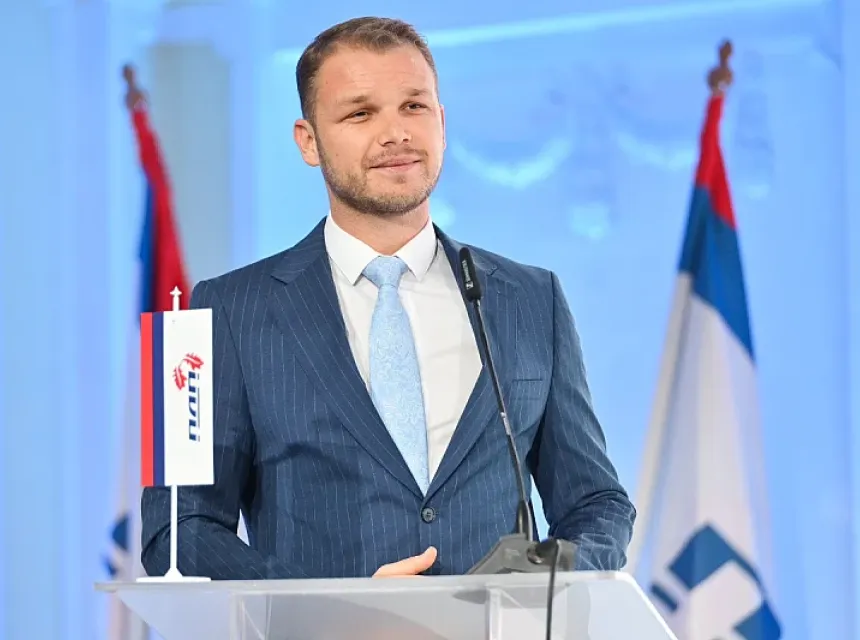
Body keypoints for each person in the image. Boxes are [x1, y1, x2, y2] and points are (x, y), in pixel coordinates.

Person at [140, 16, 635, 580]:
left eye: (414, 106)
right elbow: (175, 532)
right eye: (360, 113)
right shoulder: (214, 311)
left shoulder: (532, 297)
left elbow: (598, 503)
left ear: (441, 122)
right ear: (308, 141)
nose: (396, 133)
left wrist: (549, 581)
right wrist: (336, 606)